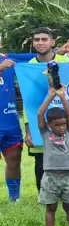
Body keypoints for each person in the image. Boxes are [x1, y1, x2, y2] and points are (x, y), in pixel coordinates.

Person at [24, 28, 69, 201]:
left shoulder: (66, 62)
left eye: (44, 39)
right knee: (41, 164)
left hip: (65, 125)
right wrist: (28, 130)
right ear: (33, 43)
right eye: (37, 39)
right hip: (42, 126)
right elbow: (29, 103)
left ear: (53, 42)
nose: (40, 42)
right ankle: (46, 199)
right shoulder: (28, 67)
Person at [37, 87, 69, 226]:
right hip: (50, 177)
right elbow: (40, 113)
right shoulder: (45, 134)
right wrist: (50, 97)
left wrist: (62, 97)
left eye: (63, 124)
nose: (61, 128)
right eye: (57, 125)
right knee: (51, 207)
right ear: (49, 125)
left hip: (68, 177)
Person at [0, 54, 22, 201]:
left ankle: (14, 199)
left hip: (10, 120)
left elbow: (38, 58)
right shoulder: (4, 64)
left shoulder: (9, 58)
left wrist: (59, 50)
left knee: (14, 160)